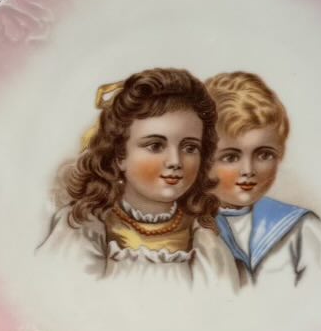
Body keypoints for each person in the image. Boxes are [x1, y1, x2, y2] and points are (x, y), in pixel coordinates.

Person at [39, 67, 239, 288]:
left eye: (190, 148)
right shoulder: (85, 226)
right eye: (155, 146)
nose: (175, 161)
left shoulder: (206, 240)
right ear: (119, 156)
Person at [205, 71, 321, 286]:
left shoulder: (303, 230)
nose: (248, 170)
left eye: (264, 155)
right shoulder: (184, 230)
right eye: (230, 157)